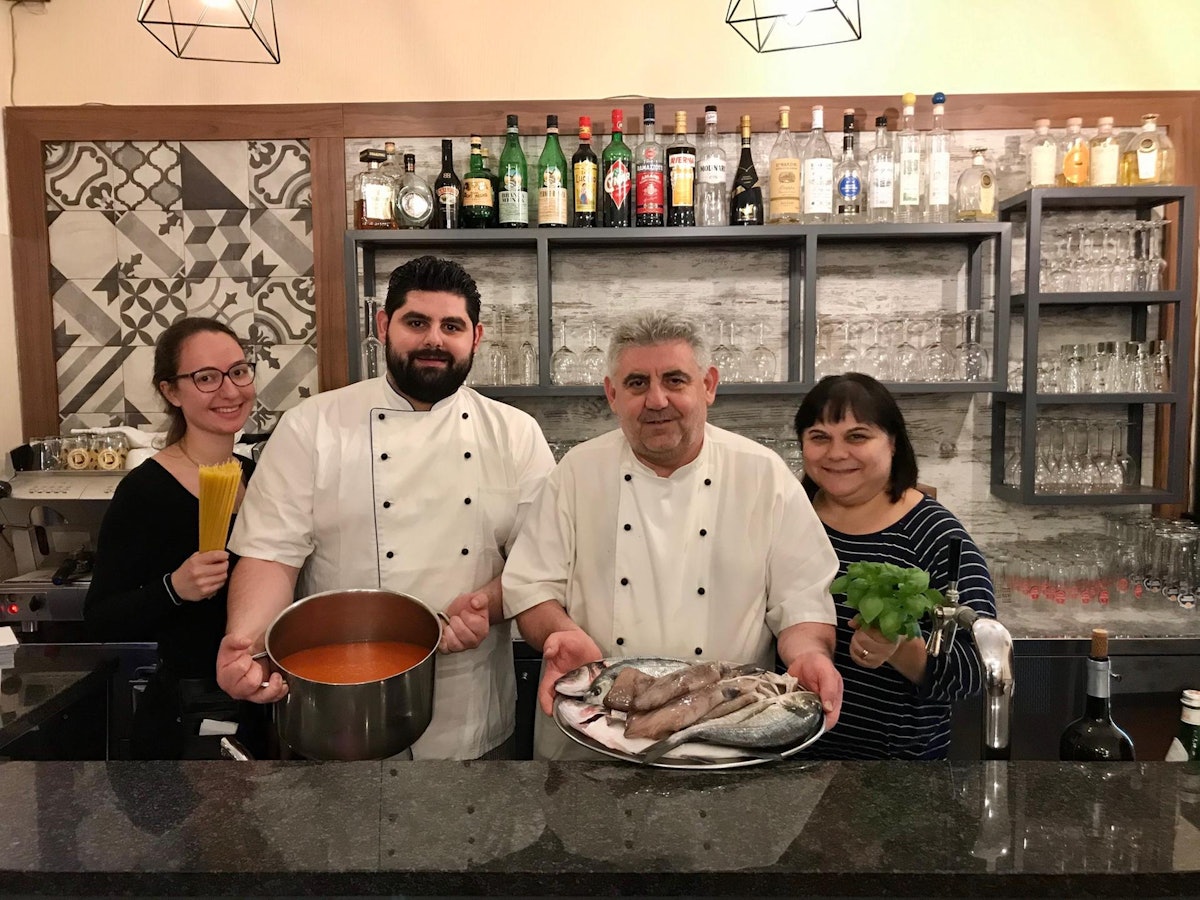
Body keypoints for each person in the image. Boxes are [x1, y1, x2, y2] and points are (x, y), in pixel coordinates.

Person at [216, 255, 555, 760]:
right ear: (384, 326)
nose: (434, 340)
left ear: (476, 337)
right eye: (416, 322)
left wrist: (487, 603)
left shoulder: (514, 433)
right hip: (336, 704)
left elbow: (539, 561)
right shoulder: (312, 426)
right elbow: (270, 555)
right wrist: (246, 645)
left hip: (469, 706)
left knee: (473, 839)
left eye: (452, 326)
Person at [502, 310, 843, 760]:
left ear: (709, 386)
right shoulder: (577, 473)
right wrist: (559, 633)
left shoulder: (763, 475)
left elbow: (801, 600)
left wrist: (810, 653)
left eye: (676, 380)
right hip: (595, 731)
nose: (656, 400)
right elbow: (531, 588)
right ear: (611, 394)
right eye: (637, 383)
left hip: (727, 732)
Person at [84, 317, 267, 759]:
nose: (230, 390)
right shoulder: (147, 489)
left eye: (239, 371)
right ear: (171, 391)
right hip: (191, 717)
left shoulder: (257, 476)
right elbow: (101, 616)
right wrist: (175, 588)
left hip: (261, 702)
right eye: (206, 378)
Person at [792, 372, 995, 760]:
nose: (836, 453)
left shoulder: (935, 534)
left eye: (857, 436)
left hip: (894, 772)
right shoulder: (789, 517)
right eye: (820, 437)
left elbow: (975, 670)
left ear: (894, 443)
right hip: (788, 757)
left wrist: (900, 647)